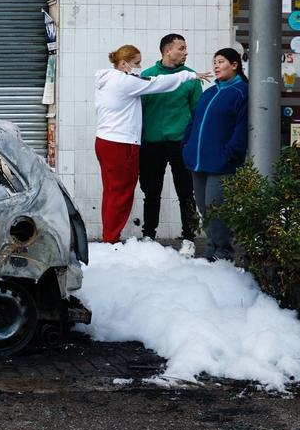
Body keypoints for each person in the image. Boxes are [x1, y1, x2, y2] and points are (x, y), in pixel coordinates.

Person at [95, 44, 209, 244]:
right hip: (121, 143)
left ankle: (110, 236)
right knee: (122, 193)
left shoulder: (109, 80)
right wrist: (189, 75)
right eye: (136, 63)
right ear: (123, 64)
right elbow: (157, 83)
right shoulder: (124, 81)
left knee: (112, 191)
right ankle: (111, 239)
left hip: (106, 140)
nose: (140, 67)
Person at [182, 47, 249, 262]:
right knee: (204, 209)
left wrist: (230, 154)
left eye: (221, 62)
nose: (216, 66)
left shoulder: (242, 92)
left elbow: (241, 129)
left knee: (216, 209)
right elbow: (193, 122)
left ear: (235, 65)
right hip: (198, 161)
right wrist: (187, 146)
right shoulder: (210, 92)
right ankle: (211, 249)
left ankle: (223, 252)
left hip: (222, 163)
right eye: (214, 62)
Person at [139, 34, 202, 252]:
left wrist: (192, 143)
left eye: (186, 48)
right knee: (151, 192)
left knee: (186, 192)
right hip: (151, 143)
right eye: (181, 48)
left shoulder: (191, 78)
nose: (185, 52)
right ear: (167, 51)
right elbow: (138, 113)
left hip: (180, 144)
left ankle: (189, 238)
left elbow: (196, 113)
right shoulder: (147, 77)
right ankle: (148, 235)